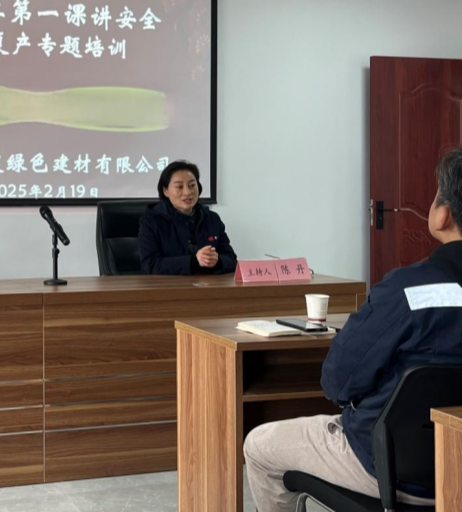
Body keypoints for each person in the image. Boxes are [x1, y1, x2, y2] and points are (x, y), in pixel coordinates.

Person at [244, 147, 462, 511]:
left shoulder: (406, 290)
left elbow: (338, 381)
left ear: (443, 215)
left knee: (260, 445)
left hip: (394, 469)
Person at [138, 160, 237, 275]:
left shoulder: (211, 219)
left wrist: (218, 261)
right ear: (165, 191)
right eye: (179, 187)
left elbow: (231, 259)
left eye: (192, 185)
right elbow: (151, 264)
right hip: (169, 285)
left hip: (207, 284)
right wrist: (194, 261)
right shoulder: (151, 221)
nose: (187, 192)